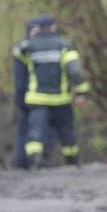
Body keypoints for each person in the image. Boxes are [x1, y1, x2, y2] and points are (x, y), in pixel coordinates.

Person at [12, 15, 90, 169]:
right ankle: (72, 161)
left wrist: (30, 39)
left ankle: (35, 161)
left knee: (36, 133)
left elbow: (17, 54)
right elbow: (75, 71)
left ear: (38, 28)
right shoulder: (65, 46)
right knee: (66, 131)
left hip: (37, 99)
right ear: (53, 27)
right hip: (61, 99)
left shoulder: (28, 46)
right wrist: (82, 92)